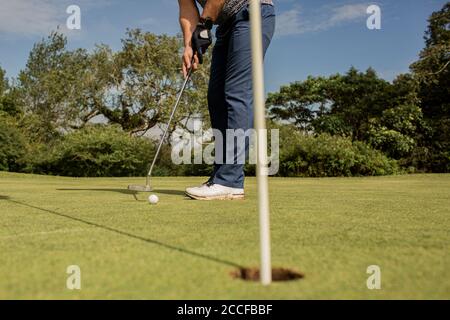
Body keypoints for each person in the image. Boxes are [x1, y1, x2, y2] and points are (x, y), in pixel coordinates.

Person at [178, 0, 275, 200]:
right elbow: (187, 8)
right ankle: (219, 177)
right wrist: (190, 45)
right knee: (216, 97)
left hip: (252, 12)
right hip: (226, 24)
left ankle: (230, 180)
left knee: (236, 92)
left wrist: (204, 26)